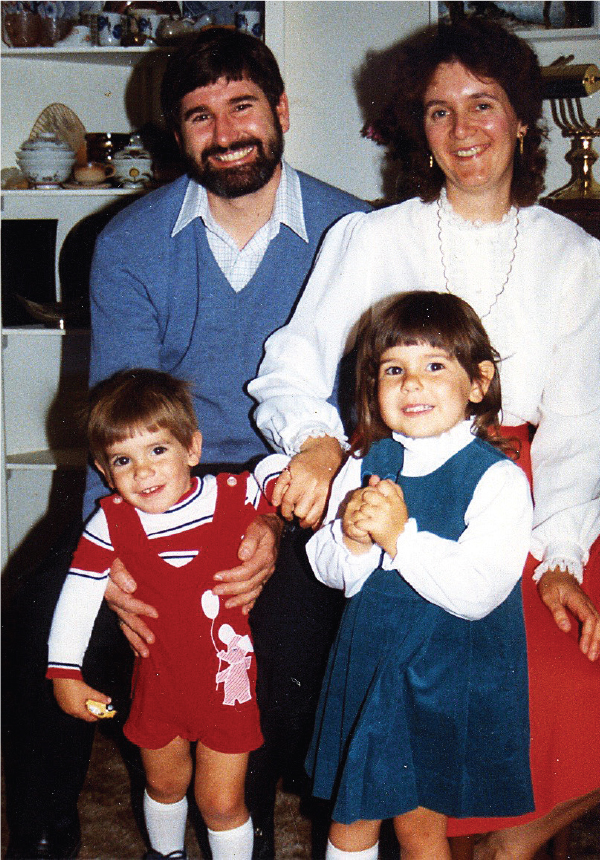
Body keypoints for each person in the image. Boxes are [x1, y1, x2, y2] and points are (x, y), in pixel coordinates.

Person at [3, 27, 368, 860]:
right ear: (177, 133)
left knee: (278, 632)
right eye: (199, 116)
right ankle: (45, 839)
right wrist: (118, 553)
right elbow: (117, 416)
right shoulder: (129, 243)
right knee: (33, 614)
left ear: (278, 110)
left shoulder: (352, 232)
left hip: (294, 485)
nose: (226, 130)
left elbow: (363, 413)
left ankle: (251, 831)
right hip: (154, 482)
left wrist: (275, 522)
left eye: (243, 105)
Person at [248, 15, 600, 860]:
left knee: (577, 671)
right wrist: (318, 445)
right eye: (438, 111)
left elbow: (582, 421)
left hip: (523, 498)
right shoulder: (371, 239)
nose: (462, 128)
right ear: (418, 128)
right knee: (427, 679)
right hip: (403, 494)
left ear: (520, 118)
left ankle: (512, 840)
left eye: (482, 104)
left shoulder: (577, 258)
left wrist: (557, 557)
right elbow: (292, 371)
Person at [302, 291, 533, 860]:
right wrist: (350, 539)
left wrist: (400, 538)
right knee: (351, 814)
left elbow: (480, 593)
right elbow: (330, 572)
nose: (411, 384)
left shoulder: (498, 479)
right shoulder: (362, 466)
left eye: (435, 366)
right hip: (371, 659)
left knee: (420, 824)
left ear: (478, 382)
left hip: (446, 672)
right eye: (393, 370)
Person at [47, 368, 288, 860]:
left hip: (229, 686)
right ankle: (165, 854)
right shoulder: (108, 523)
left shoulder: (230, 494)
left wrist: (276, 482)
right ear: (103, 469)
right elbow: (78, 593)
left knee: (221, 803)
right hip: (158, 686)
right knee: (164, 785)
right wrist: (65, 670)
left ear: (192, 449)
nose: (144, 471)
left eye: (158, 450)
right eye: (123, 459)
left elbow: (283, 473)